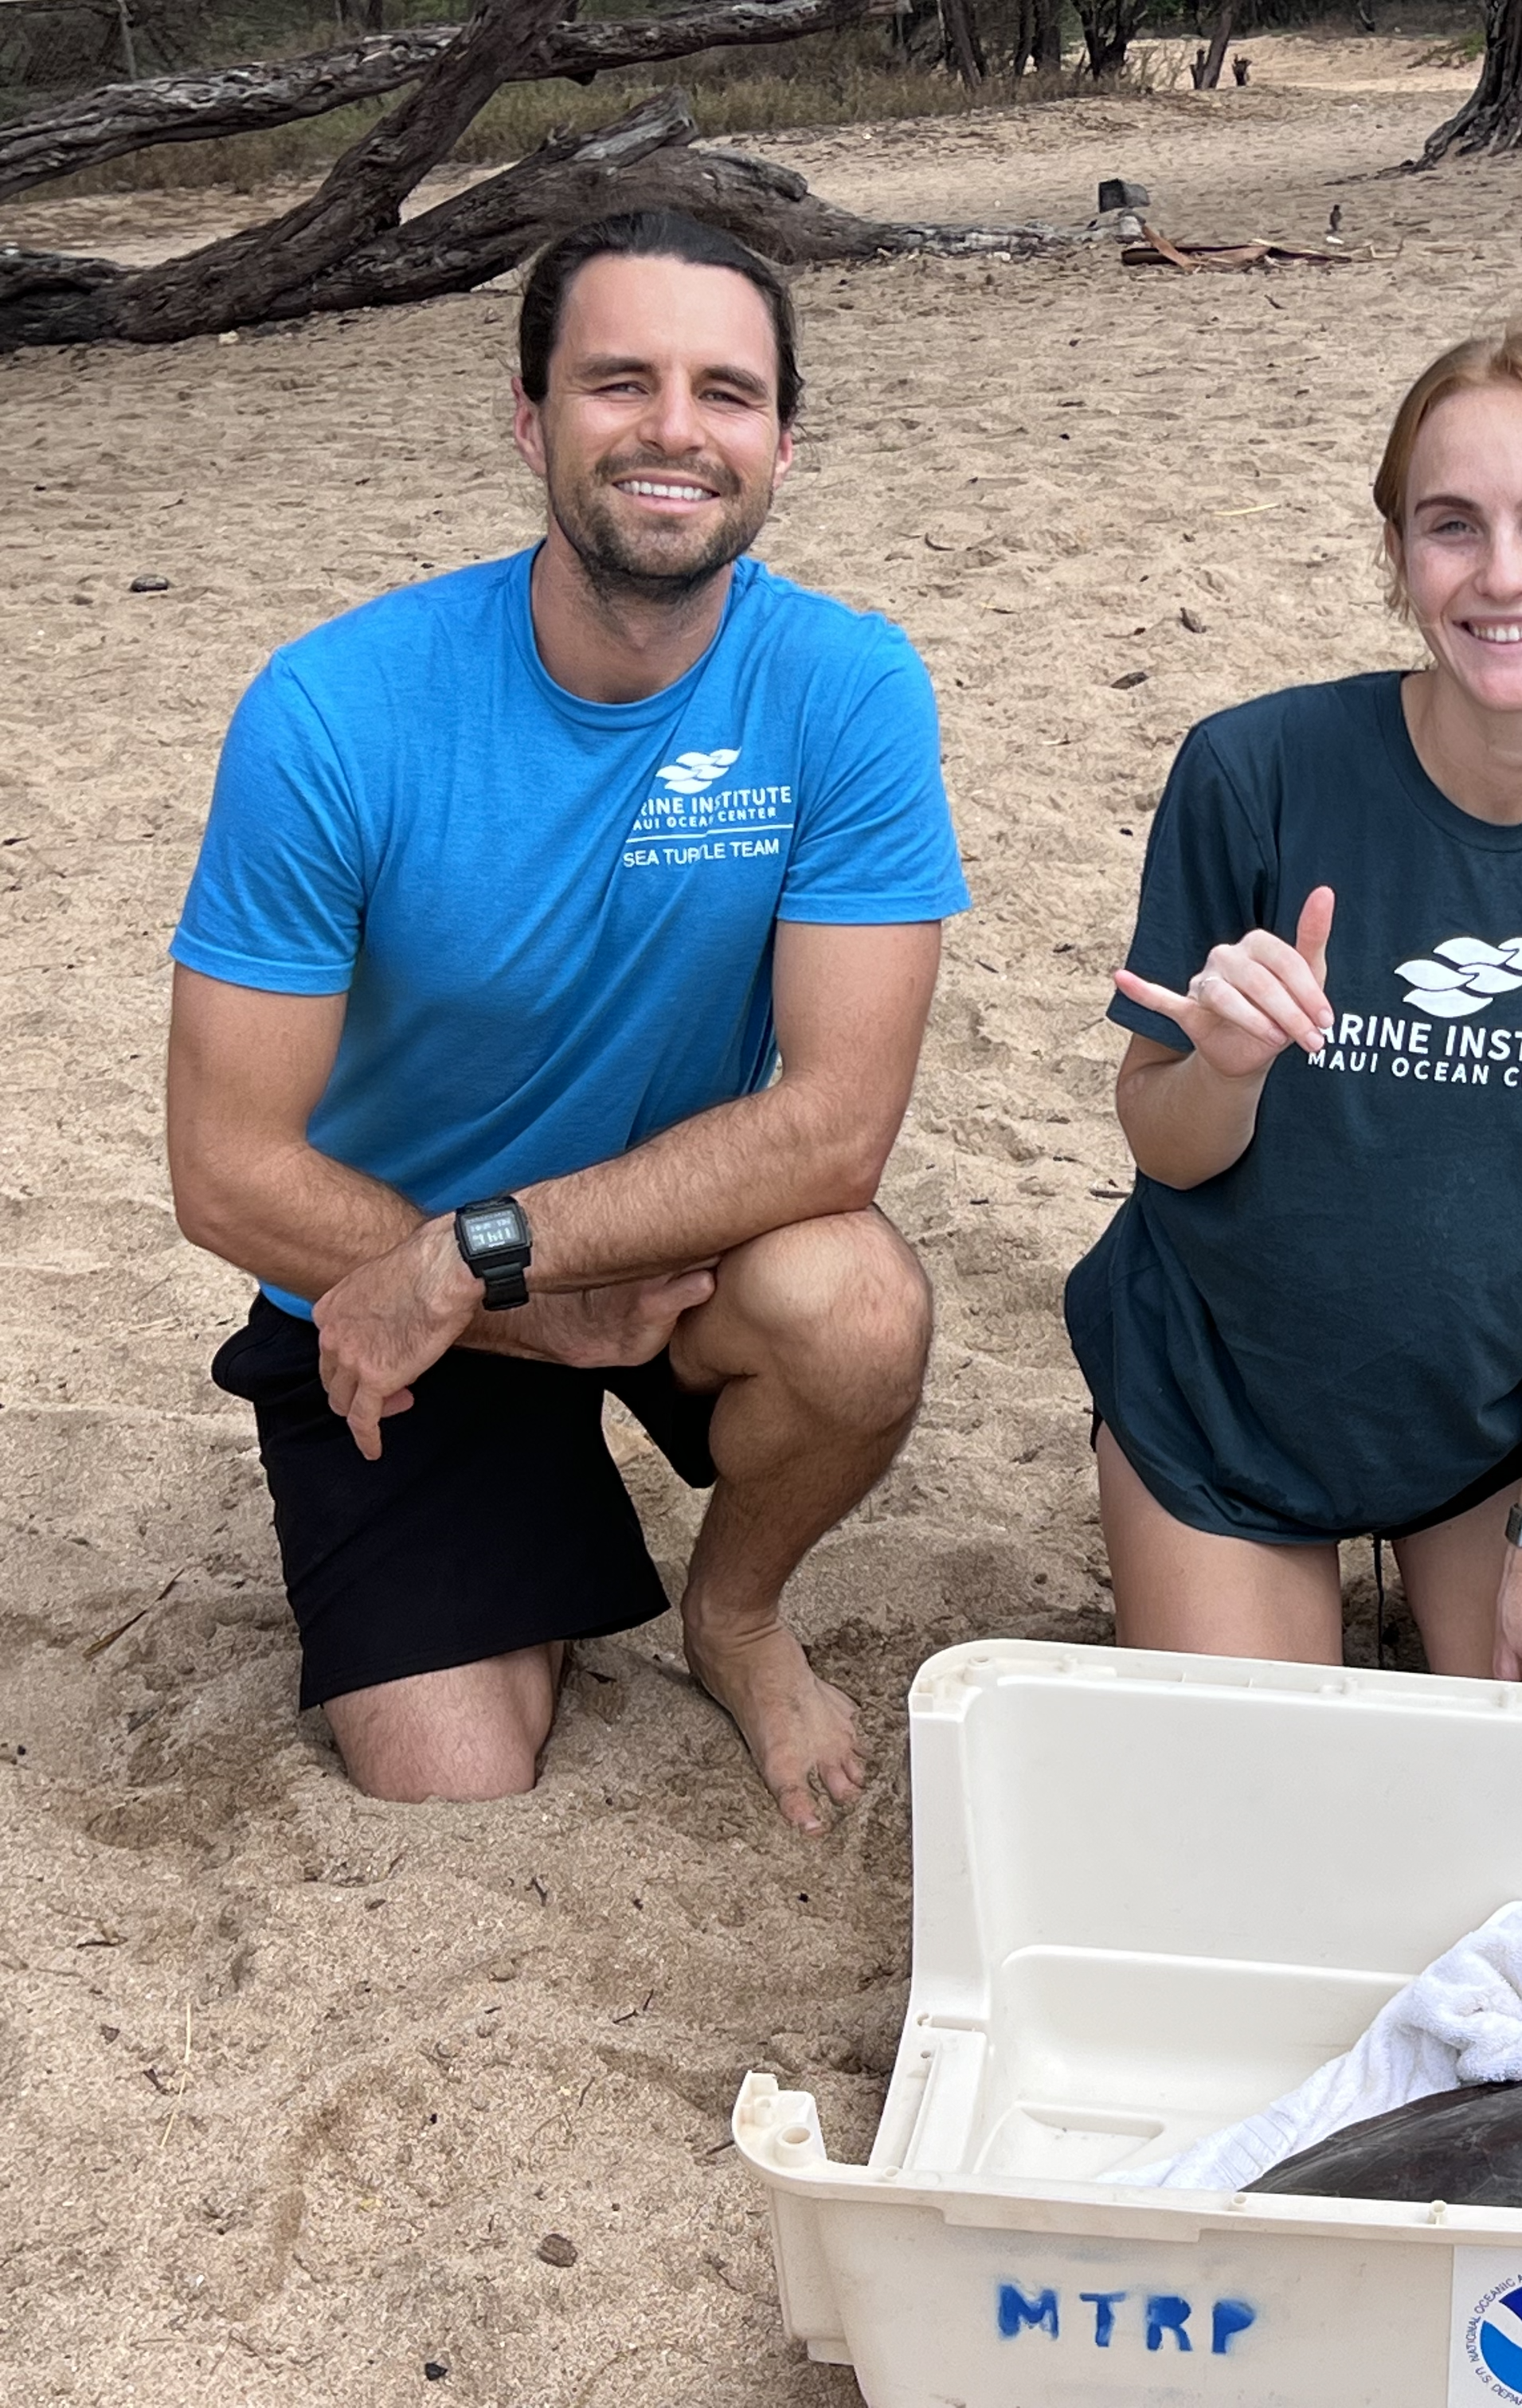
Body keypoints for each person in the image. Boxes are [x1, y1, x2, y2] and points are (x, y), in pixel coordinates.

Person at [164, 209, 965, 1832]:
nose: (675, 428)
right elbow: (227, 1172)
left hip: (650, 1252)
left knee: (861, 1310)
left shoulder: (847, 687)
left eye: (726, 392)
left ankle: (732, 1613)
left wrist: (499, 1257)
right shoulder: (334, 712)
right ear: (532, 420)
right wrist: (487, 1297)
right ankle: (513, 1509)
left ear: (783, 446)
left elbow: (835, 1122)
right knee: (449, 1773)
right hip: (384, 1266)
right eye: (621, 381)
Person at [1062, 323, 1522, 1686]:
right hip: (1223, 1403)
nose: (1503, 574)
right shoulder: (1253, 773)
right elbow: (1164, 1144)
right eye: (1453, 526)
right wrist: (1224, 1067)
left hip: (1487, 1430)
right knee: (1283, 1826)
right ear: (1399, 556)